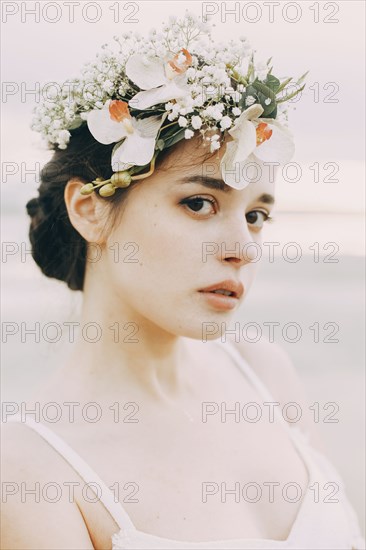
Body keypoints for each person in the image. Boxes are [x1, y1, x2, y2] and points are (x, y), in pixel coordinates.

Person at [1, 12, 364, 550]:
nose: (242, 249)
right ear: (89, 210)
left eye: (256, 216)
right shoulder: (35, 475)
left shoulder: (264, 372)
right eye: (199, 203)